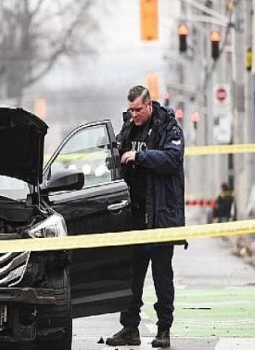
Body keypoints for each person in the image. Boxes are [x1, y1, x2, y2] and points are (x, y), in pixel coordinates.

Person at [106, 86, 185, 348]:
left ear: (149, 105)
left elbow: (172, 159)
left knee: (162, 277)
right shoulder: (129, 128)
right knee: (132, 277)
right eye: (131, 110)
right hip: (135, 217)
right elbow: (115, 158)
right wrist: (114, 158)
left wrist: (140, 156)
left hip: (160, 217)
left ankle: (164, 331)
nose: (134, 114)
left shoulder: (168, 126)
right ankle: (130, 329)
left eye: (138, 109)